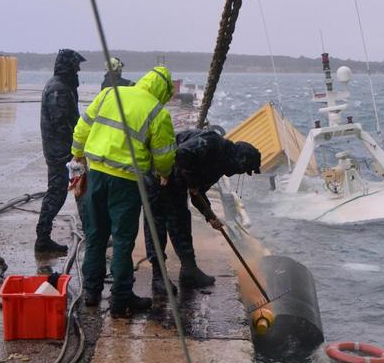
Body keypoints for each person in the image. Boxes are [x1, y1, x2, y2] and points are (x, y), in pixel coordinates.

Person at [72, 66, 176, 318]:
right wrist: (163, 172)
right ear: (163, 91)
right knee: (122, 240)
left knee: (95, 235)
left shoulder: (110, 93)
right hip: (127, 183)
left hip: (96, 175)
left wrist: (78, 154)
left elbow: (82, 127)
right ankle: (120, 299)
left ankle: (91, 293)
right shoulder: (157, 111)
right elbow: (164, 154)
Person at [144, 128, 261, 298]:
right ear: (239, 161)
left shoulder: (219, 167)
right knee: (157, 224)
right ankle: (158, 276)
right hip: (159, 174)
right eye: (243, 170)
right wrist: (192, 182)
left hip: (176, 183)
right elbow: (183, 153)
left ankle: (189, 271)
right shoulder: (213, 143)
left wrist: (210, 216)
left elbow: (198, 194)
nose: (239, 173)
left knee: (181, 220)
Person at [35, 48, 86, 256]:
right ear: (69, 66)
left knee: (78, 191)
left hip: (62, 150)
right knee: (57, 194)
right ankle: (42, 238)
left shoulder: (61, 86)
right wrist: (77, 150)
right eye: (76, 65)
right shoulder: (59, 89)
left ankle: (90, 232)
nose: (79, 69)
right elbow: (63, 124)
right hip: (61, 153)